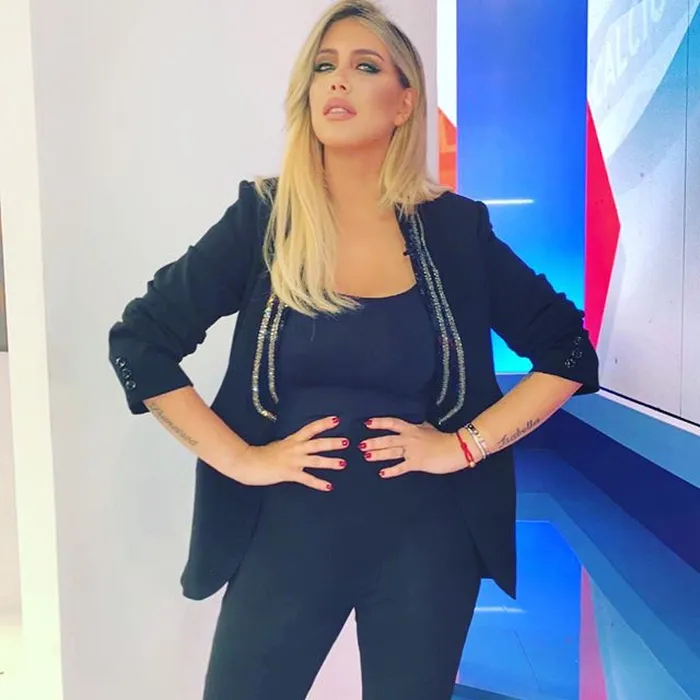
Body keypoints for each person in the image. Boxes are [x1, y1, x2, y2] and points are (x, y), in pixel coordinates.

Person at [108, 1, 599, 698]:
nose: (337, 81)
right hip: (285, 535)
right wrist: (240, 459)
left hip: (429, 541)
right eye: (323, 66)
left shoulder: (455, 230)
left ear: (403, 103)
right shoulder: (264, 217)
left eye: (365, 66)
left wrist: (464, 446)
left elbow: (568, 352)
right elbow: (141, 343)